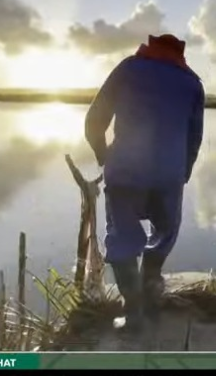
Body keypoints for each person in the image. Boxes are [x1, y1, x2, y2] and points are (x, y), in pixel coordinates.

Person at [84, 34, 205, 332]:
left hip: (125, 170)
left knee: (123, 238)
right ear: (181, 54)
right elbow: (195, 138)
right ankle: (151, 293)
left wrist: (103, 155)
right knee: (164, 233)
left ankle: (134, 314)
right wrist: (183, 172)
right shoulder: (192, 83)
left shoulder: (129, 68)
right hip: (168, 174)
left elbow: (93, 121)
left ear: (150, 47)